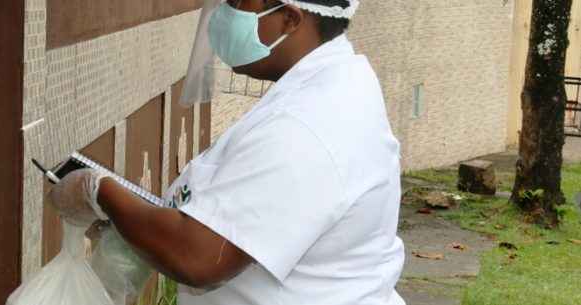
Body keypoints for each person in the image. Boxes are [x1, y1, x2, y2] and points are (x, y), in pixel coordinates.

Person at [49, 1, 406, 304]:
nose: (224, 12)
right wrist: (138, 221)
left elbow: (199, 257)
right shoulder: (329, 86)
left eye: (238, 2)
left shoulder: (306, 125)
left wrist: (99, 191)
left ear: (291, 18)